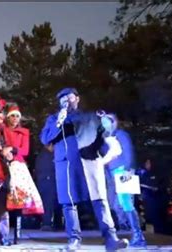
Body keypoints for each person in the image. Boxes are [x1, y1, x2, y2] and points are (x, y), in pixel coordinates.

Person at [40, 87, 128, 250]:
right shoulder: (54, 119)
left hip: (89, 160)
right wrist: (59, 121)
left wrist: (105, 129)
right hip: (66, 163)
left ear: (78, 99)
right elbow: (45, 138)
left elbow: (103, 136)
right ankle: (74, 239)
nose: (67, 101)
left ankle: (111, 238)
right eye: (63, 99)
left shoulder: (90, 116)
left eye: (70, 97)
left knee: (99, 199)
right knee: (69, 202)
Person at [100, 112, 146, 247]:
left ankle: (138, 236)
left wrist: (129, 169)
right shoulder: (108, 138)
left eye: (106, 122)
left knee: (126, 203)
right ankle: (132, 232)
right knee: (117, 204)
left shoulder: (121, 135)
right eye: (102, 123)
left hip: (123, 171)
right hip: (114, 173)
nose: (104, 125)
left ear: (113, 122)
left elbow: (128, 151)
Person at [2, 105, 44, 244]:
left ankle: (17, 234)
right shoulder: (3, 130)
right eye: (12, 116)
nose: (15, 118)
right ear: (8, 117)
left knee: (18, 198)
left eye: (17, 116)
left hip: (18, 166)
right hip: (3, 164)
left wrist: (12, 149)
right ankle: (3, 233)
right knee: (4, 200)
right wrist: (4, 152)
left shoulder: (24, 132)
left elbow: (25, 151)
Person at [35, 144, 62, 231]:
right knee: (48, 203)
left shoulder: (50, 155)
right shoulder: (44, 156)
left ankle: (57, 223)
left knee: (56, 204)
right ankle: (47, 223)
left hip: (52, 183)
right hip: (47, 183)